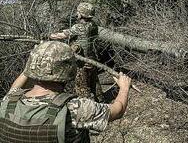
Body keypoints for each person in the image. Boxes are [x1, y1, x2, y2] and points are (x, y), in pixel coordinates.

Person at [0, 41, 131, 142]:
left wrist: (35, 64)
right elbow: (117, 110)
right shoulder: (74, 108)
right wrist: (124, 88)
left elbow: (15, 88)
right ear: (69, 70)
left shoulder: (8, 101)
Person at [49, 2, 102, 101]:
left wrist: (49, 36)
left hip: (81, 62)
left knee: (81, 86)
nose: (77, 13)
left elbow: (62, 35)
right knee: (93, 82)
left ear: (81, 14)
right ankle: (100, 100)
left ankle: (88, 106)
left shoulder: (78, 27)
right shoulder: (94, 25)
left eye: (78, 12)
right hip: (92, 59)